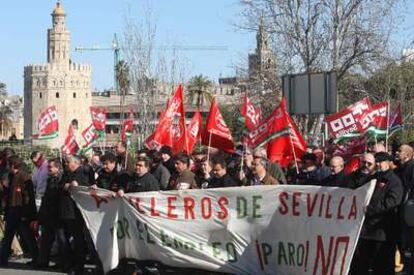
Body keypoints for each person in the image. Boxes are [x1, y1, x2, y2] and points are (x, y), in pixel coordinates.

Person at [350, 152, 403, 275]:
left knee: (382, 265)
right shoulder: (372, 178)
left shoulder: (394, 181)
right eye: (377, 161)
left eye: (381, 161)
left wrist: (371, 209)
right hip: (366, 230)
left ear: (388, 163)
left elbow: (393, 201)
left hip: (382, 231)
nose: (378, 164)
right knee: (361, 264)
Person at [0, 157, 38, 266]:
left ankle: (36, 258)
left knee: (28, 237)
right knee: (8, 237)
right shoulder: (12, 176)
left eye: (8, 164)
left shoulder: (24, 177)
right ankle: (3, 259)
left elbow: (27, 197)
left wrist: (26, 214)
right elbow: (9, 194)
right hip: (12, 211)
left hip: (21, 212)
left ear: (13, 165)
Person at [58, 155, 92, 274]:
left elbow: (89, 187)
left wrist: (79, 185)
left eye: (68, 162)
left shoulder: (84, 173)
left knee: (78, 240)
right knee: (64, 239)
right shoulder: (67, 174)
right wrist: (65, 185)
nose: (66, 164)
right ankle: (68, 263)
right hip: (65, 211)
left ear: (76, 163)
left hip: (76, 212)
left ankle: (79, 266)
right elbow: (60, 185)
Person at [36, 158, 65, 268]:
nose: (48, 169)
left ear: (57, 167)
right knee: (46, 239)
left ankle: (62, 263)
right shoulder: (50, 179)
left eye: (50, 167)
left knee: (61, 240)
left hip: (58, 214)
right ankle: (43, 261)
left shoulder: (62, 179)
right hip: (48, 214)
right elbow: (47, 197)